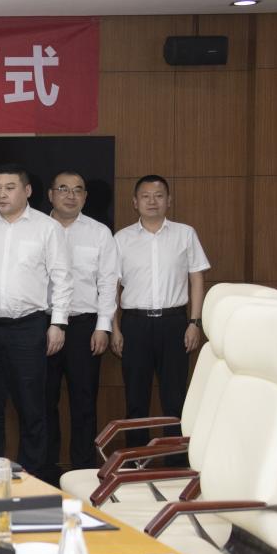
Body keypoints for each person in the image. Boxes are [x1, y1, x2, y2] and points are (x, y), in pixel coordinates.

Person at [0, 166, 73, 482]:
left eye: (10, 187)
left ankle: (33, 479)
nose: (2, 194)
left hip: (30, 328)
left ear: (27, 191)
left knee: (32, 408)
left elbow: (62, 278)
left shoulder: (47, 228)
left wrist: (58, 324)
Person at [111, 175, 209, 446]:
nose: (152, 201)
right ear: (135, 202)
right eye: (145, 196)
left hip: (174, 323)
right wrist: (114, 329)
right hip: (134, 325)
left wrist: (194, 323)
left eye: (158, 196)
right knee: (135, 399)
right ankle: (135, 461)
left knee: (175, 399)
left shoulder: (185, 234)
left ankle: (176, 461)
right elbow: (111, 287)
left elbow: (197, 279)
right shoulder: (121, 239)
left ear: (169, 200)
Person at [45, 172, 119, 471]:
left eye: (77, 190)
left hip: (85, 327)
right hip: (43, 325)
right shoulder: (37, 228)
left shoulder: (99, 233)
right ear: (50, 194)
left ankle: (83, 470)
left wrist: (103, 326)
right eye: (63, 189)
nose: (70, 195)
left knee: (84, 403)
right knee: (43, 402)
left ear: (85, 197)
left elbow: (108, 281)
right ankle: (47, 469)